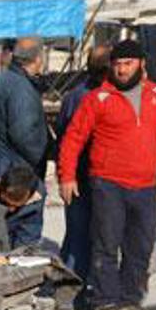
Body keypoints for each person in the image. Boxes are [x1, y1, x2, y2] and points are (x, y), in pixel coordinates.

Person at [58, 39, 156, 310]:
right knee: (106, 244)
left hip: (146, 185)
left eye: (128, 64)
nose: (122, 70)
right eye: (118, 64)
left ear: (141, 64)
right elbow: (73, 140)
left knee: (140, 246)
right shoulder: (98, 98)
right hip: (107, 183)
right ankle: (104, 304)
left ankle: (129, 302)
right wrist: (67, 176)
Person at [56, 45, 112, 279]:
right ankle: (74, 285)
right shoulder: (91, 97)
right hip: (87, 172)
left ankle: (65, 278)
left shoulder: (73, 95)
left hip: (77, 170)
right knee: (86, 233)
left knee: (76, 231)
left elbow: (61, 131)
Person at [0, 38, 48, 176]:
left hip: (0, 160)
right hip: (18, 168)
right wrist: (39, 157)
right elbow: (23, 134)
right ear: (37, 59)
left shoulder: (3, 79)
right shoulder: (21, 88)